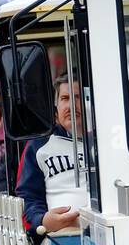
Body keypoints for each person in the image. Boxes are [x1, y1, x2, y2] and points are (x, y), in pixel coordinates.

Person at [14, 75, 89, 235]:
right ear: (56, 107)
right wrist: (42, 220)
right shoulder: (39, 145)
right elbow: (27, 196)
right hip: (60, 238)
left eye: (77, 97)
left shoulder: (110, 142)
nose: (70, 105)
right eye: (64, 98)